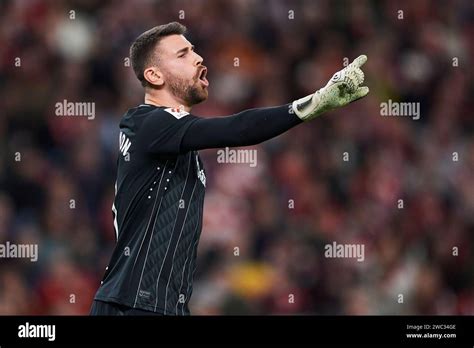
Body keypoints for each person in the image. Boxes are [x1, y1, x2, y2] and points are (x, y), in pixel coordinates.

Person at [90, 21, 369, 316]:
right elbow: (236, 129)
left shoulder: (170, 142)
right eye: (182, 55)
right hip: (133, 303)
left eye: (195, 51)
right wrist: (312, 103)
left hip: (158, 305)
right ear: (154, 74)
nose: (198, 58)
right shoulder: (147, 122)